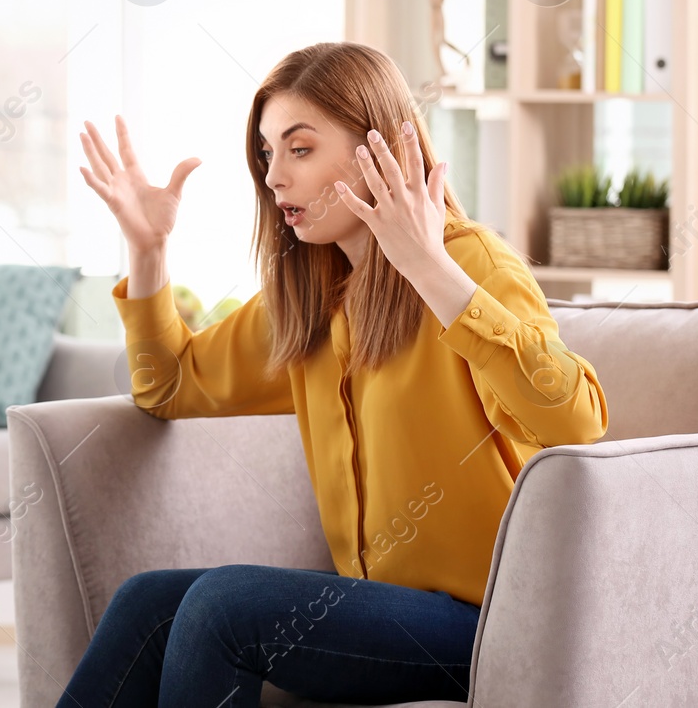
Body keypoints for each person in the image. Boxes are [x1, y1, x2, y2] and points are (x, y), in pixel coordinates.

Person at [64, 41, 609, 707]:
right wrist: (148, 251)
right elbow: (170, 385)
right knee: (146, 601)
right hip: (377, 610)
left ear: (379, 148)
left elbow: (575, 417)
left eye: (299, 149)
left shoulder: (470, 262)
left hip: (491, 619)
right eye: (267, 153)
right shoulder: (310, 299)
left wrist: (431, 269)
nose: (274, 177)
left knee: (222, 606)